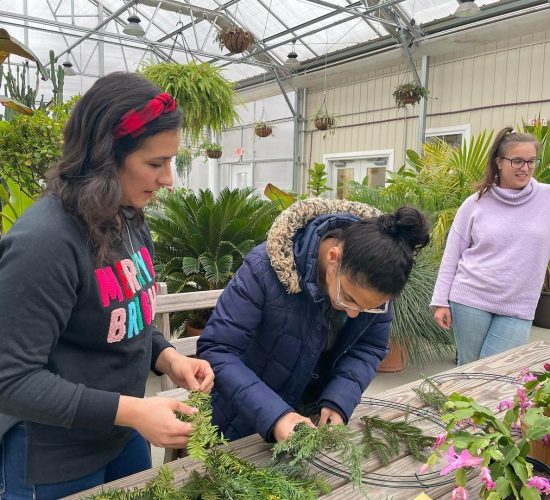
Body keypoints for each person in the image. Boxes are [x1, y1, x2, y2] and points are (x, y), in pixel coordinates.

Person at [0, 72, 214, 499]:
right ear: (104, 157)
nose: (168, 178)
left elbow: (127, 312)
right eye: (155, 164)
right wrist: (135, 410)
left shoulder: (129, 217)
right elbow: (11, 380)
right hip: (56, 456)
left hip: (120, 434)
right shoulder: (45, 241)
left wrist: (167, 357)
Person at [197, 199, 429, 443]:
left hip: (311, 420)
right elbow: (219, 351)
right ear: (333, 257)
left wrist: (339, 399)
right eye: (348, 298)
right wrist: (276, 415)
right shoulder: (263, 269)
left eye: (366, 308)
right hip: (241, 421)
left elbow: (368, 347)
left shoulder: (380, 274)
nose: (353, 313)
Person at [431, 127, 550, 366]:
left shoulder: (546, 199)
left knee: (498, 374)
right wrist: (440, 301)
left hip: (519, 304)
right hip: (470, 298)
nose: (525, 168)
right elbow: (452, 255)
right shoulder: (475, 203)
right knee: (470, 370)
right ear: (499, 162)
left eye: (531, 161)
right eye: (517, 161)